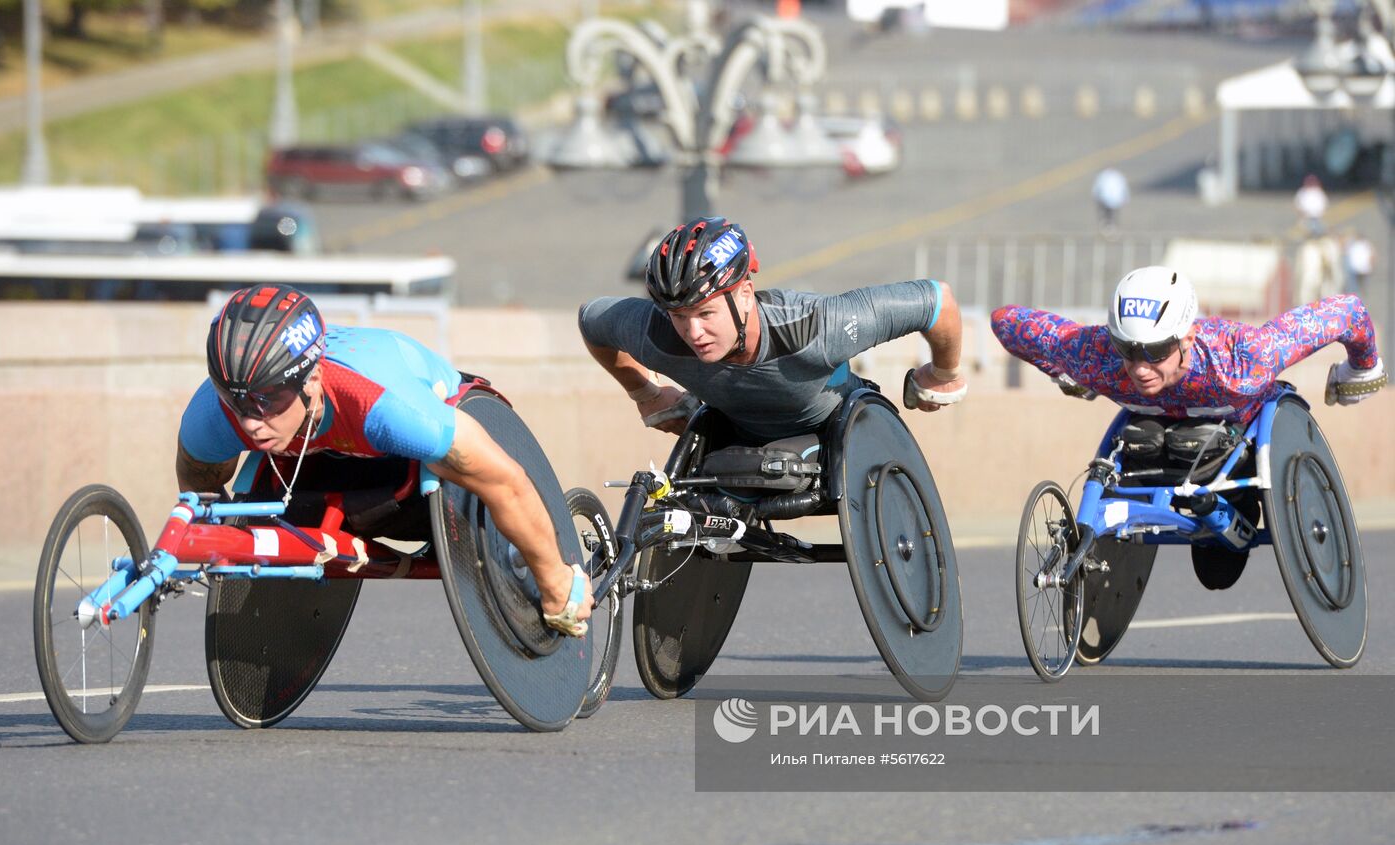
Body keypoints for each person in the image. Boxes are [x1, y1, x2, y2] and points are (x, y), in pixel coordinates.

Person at [176, 283, 593, 636]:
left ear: (312, 380)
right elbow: (202, 485)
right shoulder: (213, 417)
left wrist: (557, 582)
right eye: (236, 401)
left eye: (267, 400)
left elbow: (506, 481)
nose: (249, 421)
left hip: (410, 455)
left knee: (458, 466)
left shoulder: (388, 409)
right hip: (329, 463)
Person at [578, 216, 967, 448]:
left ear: (745, 295)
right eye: (679, 316)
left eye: (705, 313)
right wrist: (644, 393)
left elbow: (937, 301)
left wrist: (943, 374)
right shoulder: (658, 333)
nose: (692, 332)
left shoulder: (815, 326)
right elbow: (592, 320)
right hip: (732, 434)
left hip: (836, 429)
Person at [989, 265, 1386, 423]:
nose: (1139, 367)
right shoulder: (1095, 355)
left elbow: (1349, 311)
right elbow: (1005, 322)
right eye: (1127, 349)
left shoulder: (1245, 358)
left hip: (1242, 427)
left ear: (1188, 338)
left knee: (1216, 569)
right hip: (1152, 436)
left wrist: (1363, 366)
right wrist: (1064, 372)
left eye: (1156, 351)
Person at [1091, 168, 1129, 235]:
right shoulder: (1113, 176)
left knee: (1111, 214)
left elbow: (1123, 187)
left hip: (1112, 199)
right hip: (1108, 199)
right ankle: (1108, 227)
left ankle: (1110, 227)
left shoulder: (1105, 176)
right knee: (1109, 214)